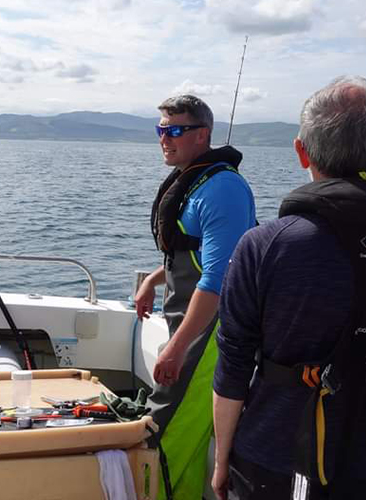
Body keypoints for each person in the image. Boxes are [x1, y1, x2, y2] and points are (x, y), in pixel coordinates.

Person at [212, 76, 366, 500]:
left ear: (301, 150)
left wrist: (221, 462)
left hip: (270, 457)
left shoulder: (262, 246)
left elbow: (232, 367)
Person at [134, 94, 257, 499]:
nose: (164, 139)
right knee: (177, 427)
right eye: (160, 130)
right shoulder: (195, 181)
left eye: (175, 130)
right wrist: (154, 280)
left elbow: (218, 280)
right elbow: (194, 252)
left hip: (210, 329)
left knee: (165, 428)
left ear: (202, 135)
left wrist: (177, 348)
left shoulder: (222, 189)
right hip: (188, 322)